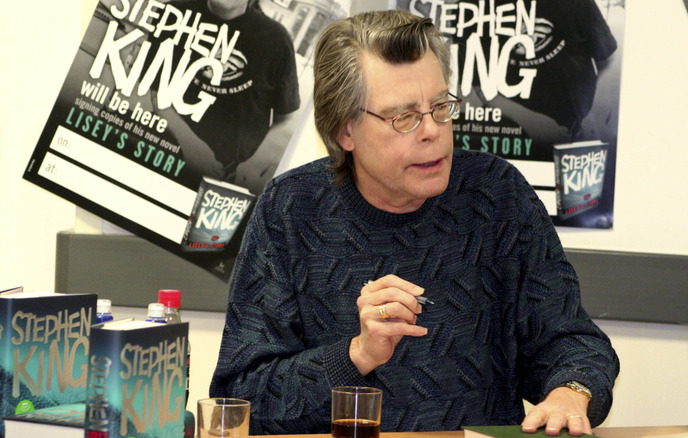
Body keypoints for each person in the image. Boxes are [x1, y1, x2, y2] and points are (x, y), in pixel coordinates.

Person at [210, 9, 619, 436]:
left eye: (441, 106)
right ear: (344, 130)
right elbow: (242, 401)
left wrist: (572, 391)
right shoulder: (290, 209)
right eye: (403, 117)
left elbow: (572, 341)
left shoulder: (496, 195)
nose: (433, 131)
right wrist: (357, 355)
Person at [147, 0, 301, 189]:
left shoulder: (277, 39)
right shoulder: (172, 13)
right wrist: (189, 145)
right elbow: (155, 89)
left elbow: (285, 119)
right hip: (167, 154)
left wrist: (250, 168)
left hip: (231, 180)